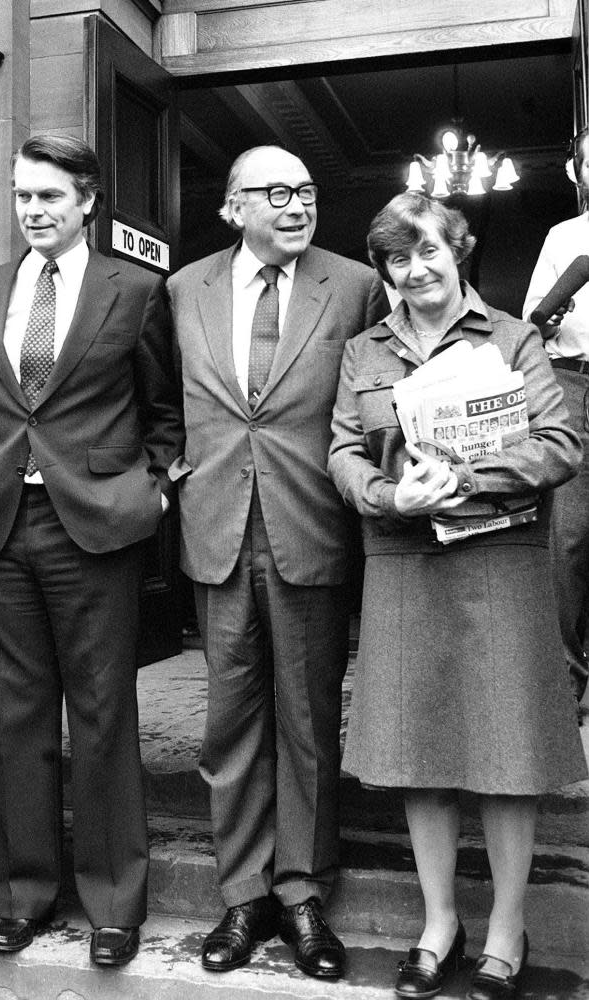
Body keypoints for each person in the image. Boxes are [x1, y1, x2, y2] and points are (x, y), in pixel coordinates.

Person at [328, 192, 586, 1000]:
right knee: (420, 754)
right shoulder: (361, 351)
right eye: (397, 260)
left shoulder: (513, 338)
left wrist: (465, 480)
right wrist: (383, 494)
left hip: (499, 562)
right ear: (383, 270)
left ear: (458, 249)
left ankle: (507, 926)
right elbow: (339, 446)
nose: (415, 271)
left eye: (428, 252)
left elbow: (561, 443)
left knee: (506, 754)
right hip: (403, 560)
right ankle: (439, 921)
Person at [0, 135, 183, 966]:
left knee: (104, 714)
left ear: (87, 201)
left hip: (95, 527)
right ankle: (27, 894)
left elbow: (165, 410)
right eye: (21, 196)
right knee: (14, 718)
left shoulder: (138, 291)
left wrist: (149, 488)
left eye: (48, 196)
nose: (33, 211)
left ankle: (115, 903)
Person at [166, 145, 387, 979]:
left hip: (311, 526)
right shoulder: (183, 289)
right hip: (216, 526)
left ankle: (301, 894)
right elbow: (161, 399)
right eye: (275, 193)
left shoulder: (355, 286)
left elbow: (376, 399)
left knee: (304, 721)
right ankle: (242, 894)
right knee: (229, 725)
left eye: (306, 189)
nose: (296, 205)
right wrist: (167, 473)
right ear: (232, 208)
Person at [523, 125, 589, 718]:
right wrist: (548, 315)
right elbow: (530, 327)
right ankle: (566, 688)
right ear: (577, 173)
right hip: (571, 383)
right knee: (566, 538)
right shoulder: (563, 238)